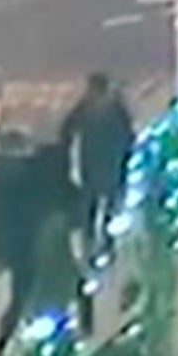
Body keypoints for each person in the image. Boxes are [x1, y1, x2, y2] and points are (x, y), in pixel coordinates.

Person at [0, 131, 85, 356]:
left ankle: (1, 353)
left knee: (26, 297)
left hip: (36, 250)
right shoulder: (26, 179)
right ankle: (1, 353)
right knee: (24, 298)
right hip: (30, 250)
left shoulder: (20, 179)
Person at [59, 71, 134, 255]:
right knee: (110, 203)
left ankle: (90, 242)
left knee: (90, 204)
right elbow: (129, 134)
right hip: (113, 161)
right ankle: (108, 243)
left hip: (90, 162)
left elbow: (66, 131)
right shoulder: (115, 107)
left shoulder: (85, 107)